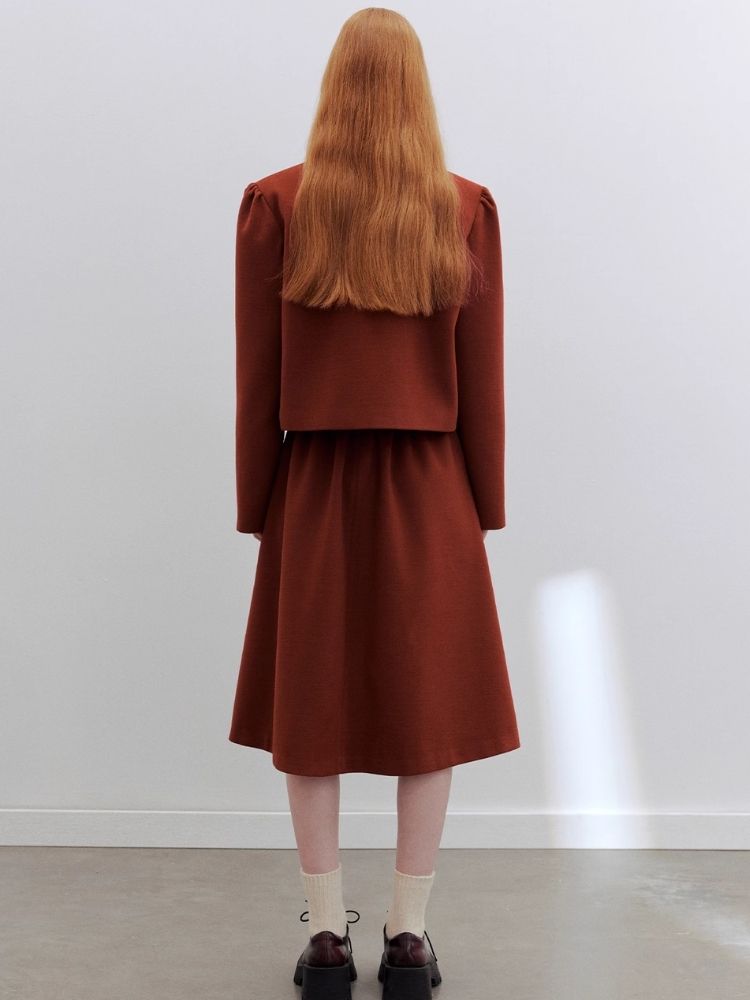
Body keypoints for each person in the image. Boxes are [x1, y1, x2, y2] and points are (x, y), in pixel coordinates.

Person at [227, 8, 520, 999]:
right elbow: (484, 380)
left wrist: (259, 501)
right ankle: (408, 938)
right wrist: (482, 504)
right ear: (415, 89)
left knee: (309, 710)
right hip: (430, 484)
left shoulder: (276, 204)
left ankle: (324, 940)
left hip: (314, 484)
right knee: (426, 711)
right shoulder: (463, 207)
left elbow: (256, 377)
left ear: (335, 85)